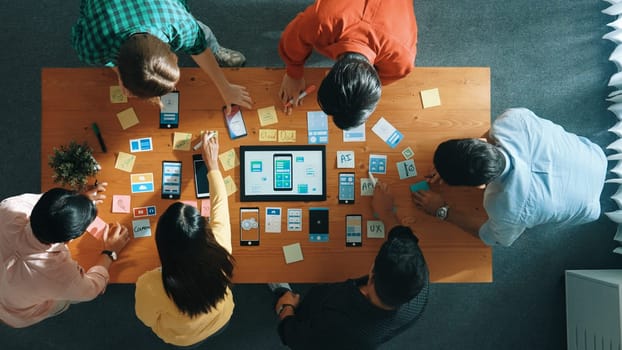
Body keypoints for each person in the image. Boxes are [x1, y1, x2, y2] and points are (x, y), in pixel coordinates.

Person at [412, 107, 607, 247]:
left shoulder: (506, 211)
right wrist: (460, 163)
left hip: (589, 206)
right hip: (596, 157)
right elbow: (488, 140)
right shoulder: (511, 120)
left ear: (480, 185)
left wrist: (442, 210)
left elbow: (495, 239)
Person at [270, 182, 429, 350]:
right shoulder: (417, 282)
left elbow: (295, 338)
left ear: (372, 273)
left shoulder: (337, 324)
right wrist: (387, 213)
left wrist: (286, 308)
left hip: (314, 311)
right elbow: (405, 240)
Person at [135, 132, 235, 347]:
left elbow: (146, 319)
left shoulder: (150, 284)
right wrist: (213, 165)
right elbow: (220, 203)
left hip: (181, 337)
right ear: (204, 234)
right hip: (221, 319)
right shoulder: (220, 247)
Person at [72, 0, 252, 114]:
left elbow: (199, 47)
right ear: (174, 57)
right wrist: (121, 73)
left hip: (166, 12)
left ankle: (217, 51)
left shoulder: (182, 25)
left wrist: (225, 87)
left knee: (202, 34)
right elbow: (78, 31)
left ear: (174, 55)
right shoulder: (92, 46)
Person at [0, 182, 130, 327]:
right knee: (68, 298)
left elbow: (45, 205)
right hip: (15, 313)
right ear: (70, 240)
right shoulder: (59, 276)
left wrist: (78, 202)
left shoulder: (9, 206)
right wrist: (109, 251)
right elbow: (91, 289)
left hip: (10, 291)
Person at [278, 0, 418, 130]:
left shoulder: (402, 61)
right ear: (327, 74)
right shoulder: (321, 21)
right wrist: (293, 73)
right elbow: (294, 35)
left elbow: (379, 82)